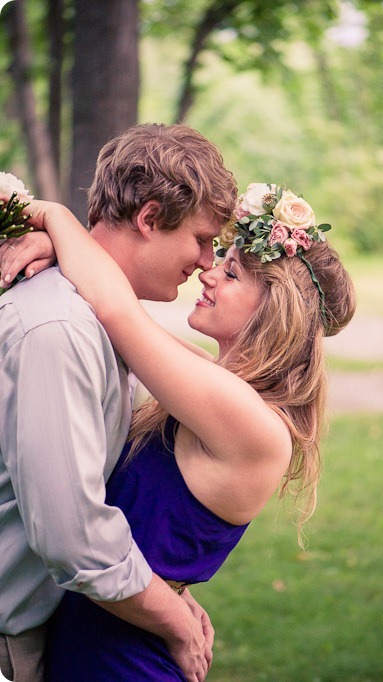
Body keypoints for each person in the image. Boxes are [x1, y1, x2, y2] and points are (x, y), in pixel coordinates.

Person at [1, 182, 356, 680]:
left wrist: (52, 216)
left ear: (272, 310)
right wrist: (59, 249)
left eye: (230, 272)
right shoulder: (225, 393)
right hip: (102, 633)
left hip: (123, 659)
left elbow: (118, 312)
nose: (208, 274)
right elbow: (118, 313)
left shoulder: (250, 421)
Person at [0, 122, 237, 682]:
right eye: (202, 239)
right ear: (150, 218)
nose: (208, 261)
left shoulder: (94, 315)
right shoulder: (58, 328)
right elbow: (72, 535)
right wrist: (171, 619)